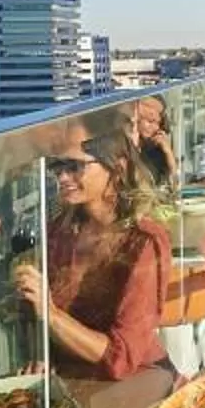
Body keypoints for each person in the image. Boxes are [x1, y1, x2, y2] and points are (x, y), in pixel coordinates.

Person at [10, 132, 172, 381]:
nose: (63, 177)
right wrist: (41, 355)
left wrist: (52, 315)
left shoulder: (143, 242)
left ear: (117, 168)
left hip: (138, 384)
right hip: (74, 383)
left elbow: (121, 358)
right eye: (57, 166)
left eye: (75, 166)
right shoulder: (60, 231)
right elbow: (34, 317)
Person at [125, 93, 181, 199]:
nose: (155, 127)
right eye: (150, 121)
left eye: (158, 123)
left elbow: (175, 187)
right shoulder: (125, 150)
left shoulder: (156, 151)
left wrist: (169, 153)